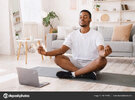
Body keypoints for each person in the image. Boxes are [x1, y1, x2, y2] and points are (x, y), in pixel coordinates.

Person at [38, 9, 112, 80]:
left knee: (103, 60)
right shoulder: (72, 35)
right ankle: (84, 74)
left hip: (92, 64)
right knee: (57, 58)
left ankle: (73, 74)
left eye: (85, 17)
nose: (82, 19)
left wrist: (104, 53)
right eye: (80, 17)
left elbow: (100, 51)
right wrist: (46, 53)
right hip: (75, 63)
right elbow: (61, 50)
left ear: (90, 20)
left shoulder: (97, 34)